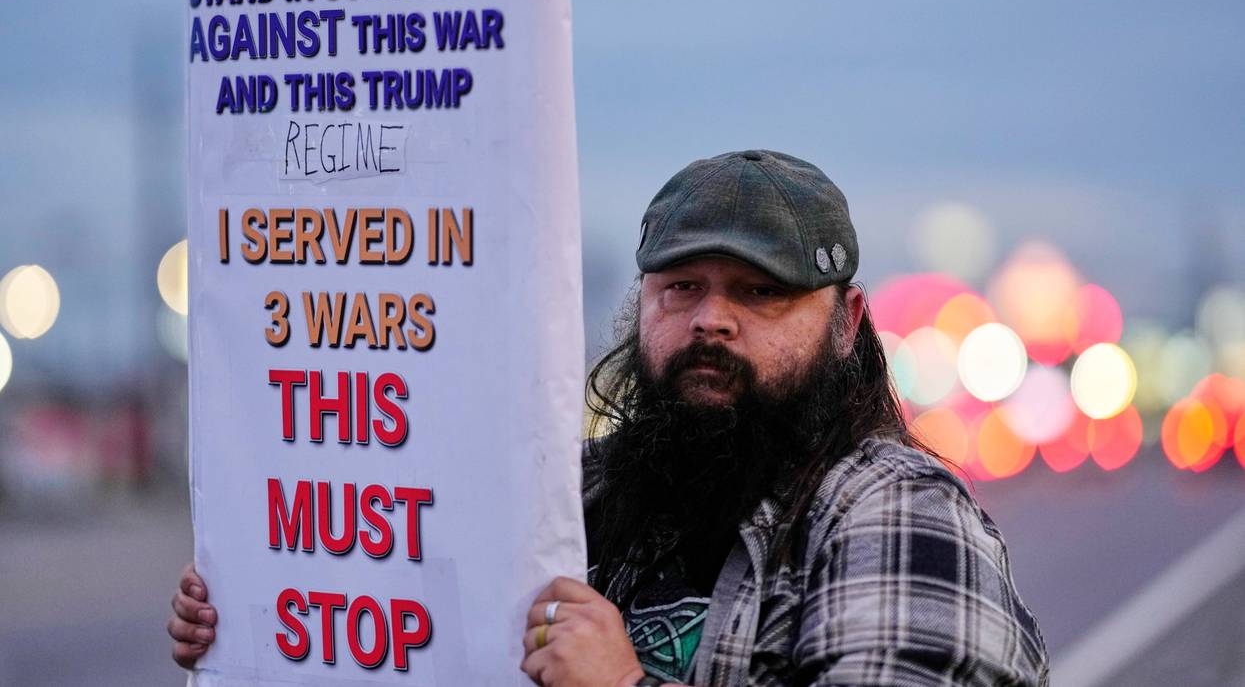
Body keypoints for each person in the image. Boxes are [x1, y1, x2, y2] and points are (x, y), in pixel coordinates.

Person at [170, 150, 1049, 686]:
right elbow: (413, 628)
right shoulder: (591, 495)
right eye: (682, 288)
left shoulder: (896, 512)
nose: (711, 318)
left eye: (760, 293)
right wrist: (263, 622)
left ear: (847, 322)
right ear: (642, 307)